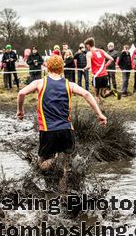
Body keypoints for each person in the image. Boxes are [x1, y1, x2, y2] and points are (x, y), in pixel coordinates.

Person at [17, 55, 107, 185]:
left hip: (48, 130)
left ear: (48, 68)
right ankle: (62, 195)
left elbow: (21, 93)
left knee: (41, 164)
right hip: (67, 130)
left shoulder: (40, 83)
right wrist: (99, 115)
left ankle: (52, 164)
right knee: (64, 167)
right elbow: (87, 94)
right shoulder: (69, 84)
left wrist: (20, 111)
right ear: (62, 68)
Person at [84, 37, 113, 102]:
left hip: (97, 76)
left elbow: (88, 66)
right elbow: (111, 59)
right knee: (103, 94)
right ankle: (112, 92)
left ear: (88, 45)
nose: (86, 47)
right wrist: (105, 66)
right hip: (105, 75)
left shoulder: (89, 53)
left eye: (86, 45)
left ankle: (100, 111)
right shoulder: (101, 51)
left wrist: (84, 69)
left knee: (96, 96)